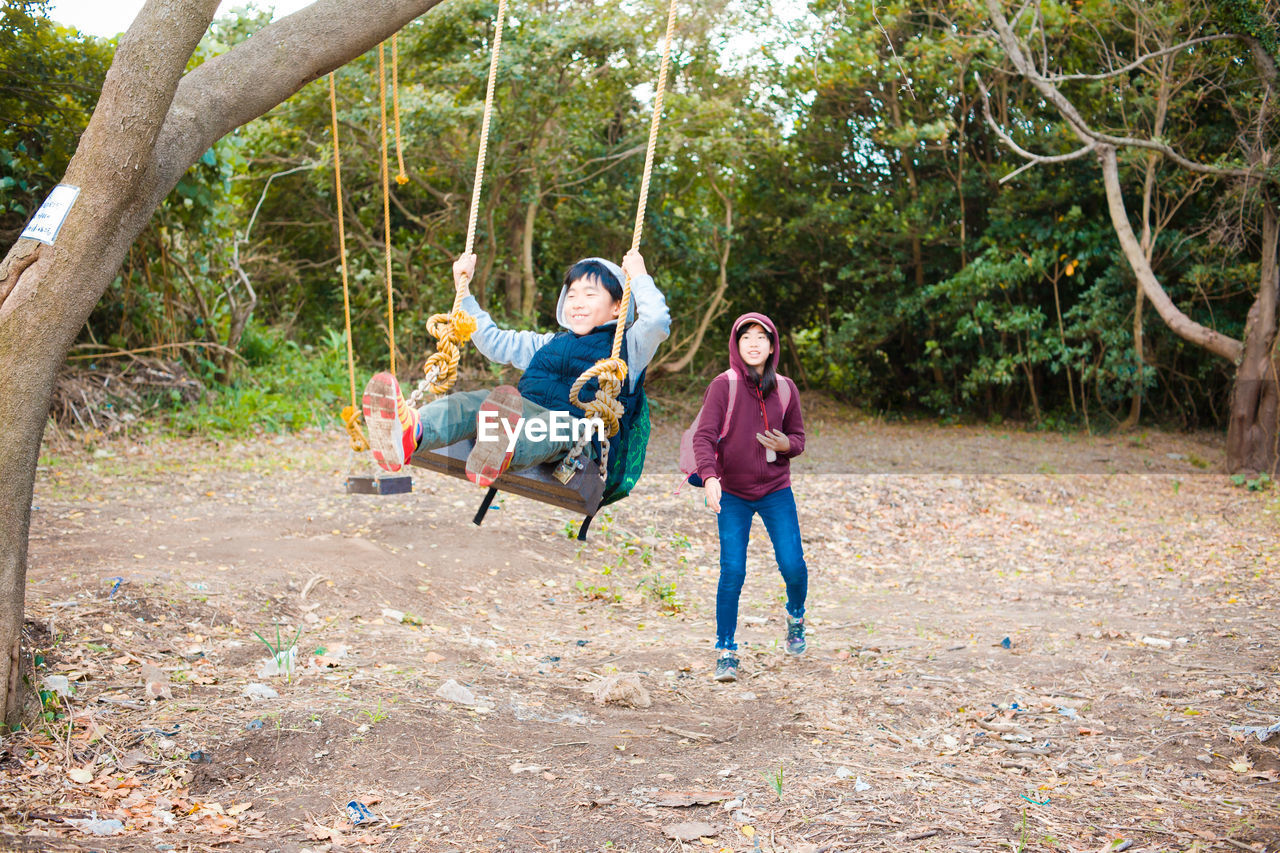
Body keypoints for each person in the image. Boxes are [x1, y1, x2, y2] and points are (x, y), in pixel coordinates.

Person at [362, 249, 669, 489]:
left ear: (618, 306)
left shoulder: (629, 348)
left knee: (548, 427)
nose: (577, 302)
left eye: (590, 294)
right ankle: (410, 433)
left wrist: (639, 276)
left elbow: (656, 321)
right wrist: (462, 290)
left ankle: (500, 448)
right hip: (518, 413)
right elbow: (493, 341)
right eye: (572, 294)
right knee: (476, 401)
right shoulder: (548, 343)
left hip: (578, 439)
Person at [691, 313, 808, 683]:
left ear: (772, 346)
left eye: (761, 337)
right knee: (733, 571)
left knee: (792, 564)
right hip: (735, 494)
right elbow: (704, 438)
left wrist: (786, 444)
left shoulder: (786, 388)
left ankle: (796, 616)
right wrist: (709, 477)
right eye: (746, 338)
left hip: (776, 490)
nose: (754, 343)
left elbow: (800, 438)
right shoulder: (722, 386)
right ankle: (726, 651)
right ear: (736, 345)